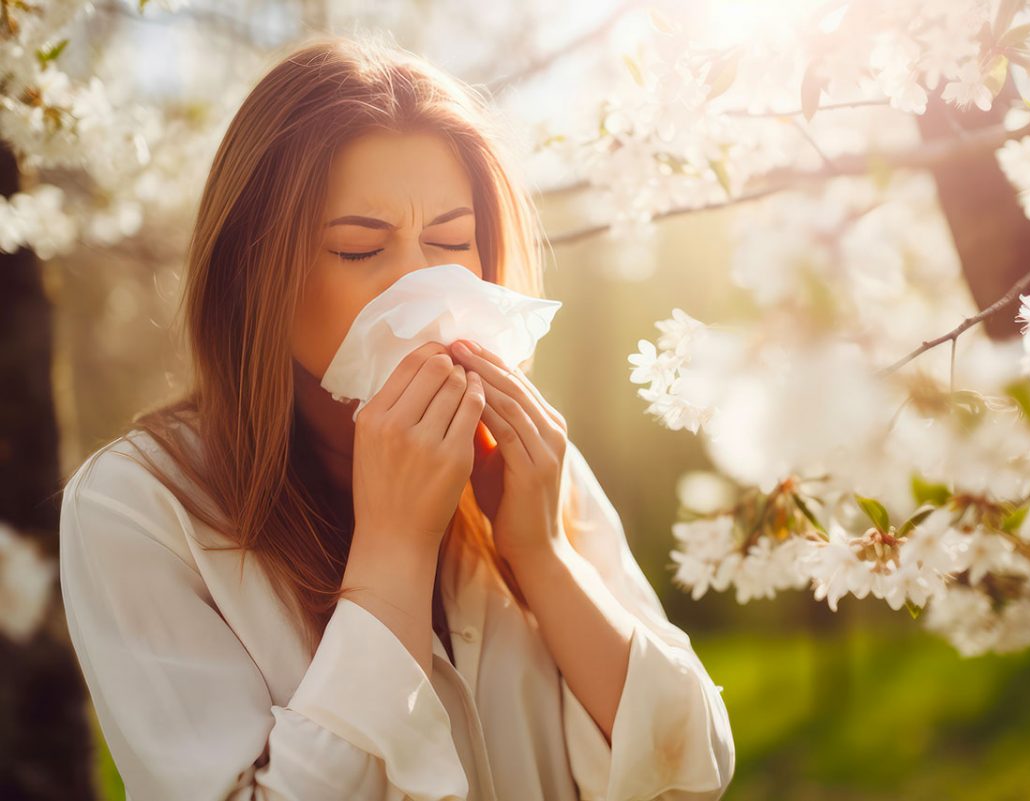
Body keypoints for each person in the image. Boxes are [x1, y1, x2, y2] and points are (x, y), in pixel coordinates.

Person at [58, 31, 735, 801]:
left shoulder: (524, 461)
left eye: (451, 241)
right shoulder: (141, 507)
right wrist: (392, 550)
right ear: (255, 276)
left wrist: (541, 552)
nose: (421, 287)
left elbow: (696, 768)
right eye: (358, 249)